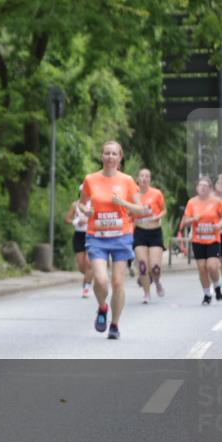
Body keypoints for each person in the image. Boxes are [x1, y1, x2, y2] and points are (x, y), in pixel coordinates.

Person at [80, 141, 147, 340]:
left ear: (120, 158)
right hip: (97, 237)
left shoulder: (126, 180)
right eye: (107, 153)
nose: (110, 157)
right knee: (101, 280)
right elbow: (81, 204)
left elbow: (140, 208)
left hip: (121, 237)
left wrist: (121, 203)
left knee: (118, 283)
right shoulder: (90, 179)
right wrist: (87, 211)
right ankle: (102, 307)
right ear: (102, 156)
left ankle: (115, 324)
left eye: (114, 154)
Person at [178, 176, 222, 304]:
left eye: (206, 186)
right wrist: (193, 219)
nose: (203, 188)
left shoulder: (216, 202)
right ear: (197, 188)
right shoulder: (192, 202)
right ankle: (207, 294)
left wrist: (219, 225)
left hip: (213, 239)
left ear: (210, 189)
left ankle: (217, 286)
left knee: (211, 266)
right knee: (201, 268)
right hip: (198, 240)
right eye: (201, 185)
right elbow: (185, 222)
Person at [132, 168, 166, 303]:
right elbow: (128, 211)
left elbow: (164, 210)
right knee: (142, 265)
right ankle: (146, 293)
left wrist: (158, 216)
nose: (144, 179)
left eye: (147, 176)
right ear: (137, 179)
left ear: (150, 179)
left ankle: (157, 282)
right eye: (142, 176)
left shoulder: (157, 193)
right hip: (140, 232)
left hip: (155, 232)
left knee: (155, 268)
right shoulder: (133, 196)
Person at [65, 187, 93, 298]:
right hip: (79, 236)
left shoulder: (93, 204)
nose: (84, 195)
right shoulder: (75, 205)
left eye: (86, 193)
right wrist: (76, 221)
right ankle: (90, 275)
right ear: (80, 193)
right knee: (82, 267)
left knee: (89, 263)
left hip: (90, 235)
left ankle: (86, 287)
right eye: (82, 193)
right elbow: (67, 219)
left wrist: (88, 221)